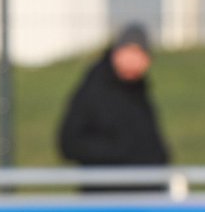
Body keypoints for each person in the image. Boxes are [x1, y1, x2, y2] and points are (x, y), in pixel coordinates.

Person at [57, 22, 170, 190]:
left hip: (145, 198)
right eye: (130, 52)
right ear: (117, 53)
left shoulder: (139, 91)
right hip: (107, 197)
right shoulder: (94, 90)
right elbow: (69, 144)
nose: (134, 60)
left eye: (140, 54)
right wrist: (119, 152)